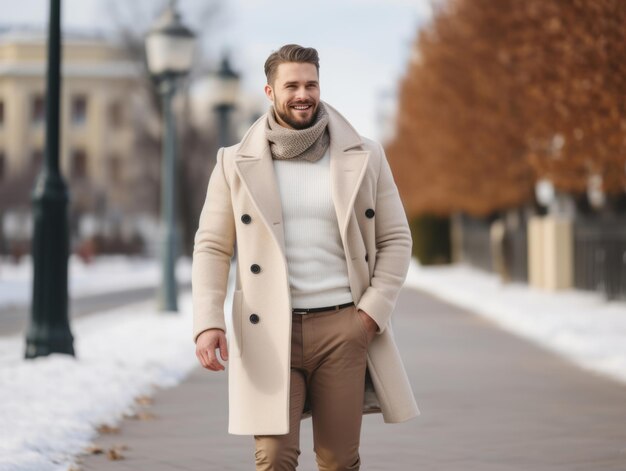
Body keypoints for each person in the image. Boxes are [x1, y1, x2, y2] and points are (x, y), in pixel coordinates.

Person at [192, 44, 419, 471]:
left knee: (338, 460)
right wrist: (208, 322)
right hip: (268, 327)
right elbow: (212, 247)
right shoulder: (232, 163)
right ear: (269, 91)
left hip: (343, 326)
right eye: (291, 85)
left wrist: (370, 314)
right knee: (274, 457)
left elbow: (396, 239)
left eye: (311, 84)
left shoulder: (364, 155)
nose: (303, 94)